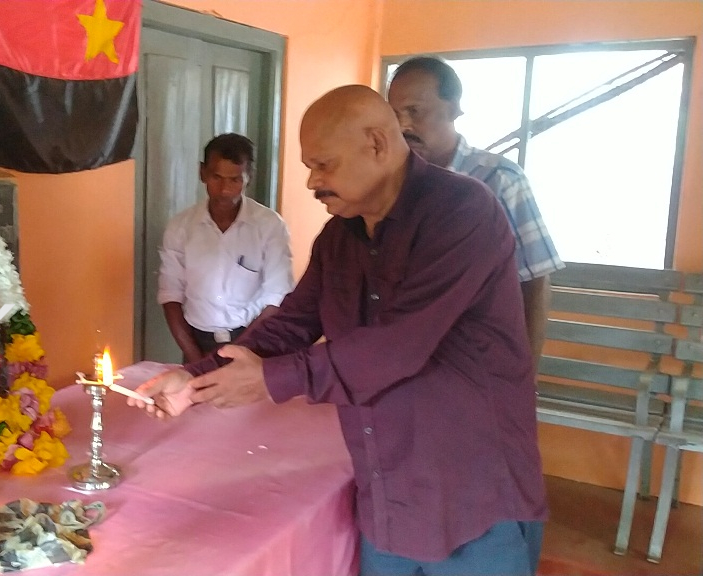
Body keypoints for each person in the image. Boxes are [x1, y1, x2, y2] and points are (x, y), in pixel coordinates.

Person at [131, 86, 547, 576]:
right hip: (387, 491)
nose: (313, 181)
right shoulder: (339, 236)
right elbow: (292, 323)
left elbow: (396, 346)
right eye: (310, 167)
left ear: (376, 144)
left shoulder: (460, 211)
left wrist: (270, 380)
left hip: (472, 497)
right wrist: (195, 378)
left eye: (323, 165)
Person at [387, 56, 564, 367]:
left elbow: (534, 281)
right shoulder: (391, 184)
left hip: (477, 363)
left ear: (454, 108)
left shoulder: (499, 180)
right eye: (394, 114)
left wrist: (525, 377)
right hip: (405, 360)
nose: (403, 126)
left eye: (415, 111)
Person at [157, 133, 293, 362]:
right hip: (197, 344)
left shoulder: (270, 226)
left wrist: (240, 353)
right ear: (202, 173)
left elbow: (277, 298)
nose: (225, 190)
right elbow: (171, 295)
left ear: (249, 177)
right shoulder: (180, 227)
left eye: (235, 180)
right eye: (216, 177)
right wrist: (197, 360)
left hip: (254, 342)